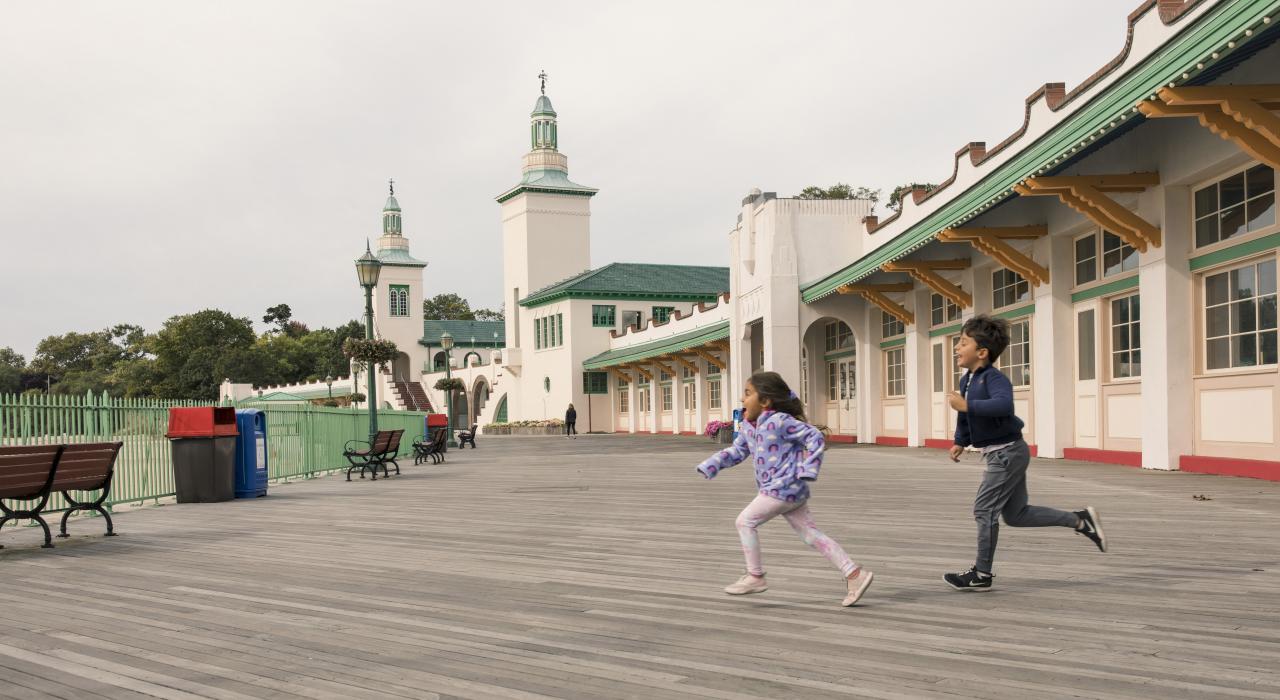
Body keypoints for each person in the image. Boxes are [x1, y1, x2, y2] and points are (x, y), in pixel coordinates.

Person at [944, 315, 1107, 591]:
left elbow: (1002, 406)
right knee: (1016, 515)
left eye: (962, 343)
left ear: (981, 353)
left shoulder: (995, 379)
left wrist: (967, 407)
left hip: (1007, 454)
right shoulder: (967, 381)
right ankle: (1080, 520)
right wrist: (961, 440)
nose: (956, 348)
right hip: (1005, 453)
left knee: (984, 510)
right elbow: (965, 418)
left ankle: (981, 574)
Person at [696, 371, 873, 607]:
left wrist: (809, 468)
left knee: (745, 521)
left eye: (748, 393)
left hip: (782, 488)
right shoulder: (749, 427)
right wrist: (713, 464)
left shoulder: (779, 421)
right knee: (811, 535)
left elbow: (814, 437)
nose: (742, 399)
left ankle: (756, 576)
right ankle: (854, 574)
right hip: (788, 492)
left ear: (765, 401)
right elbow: (737, 452)